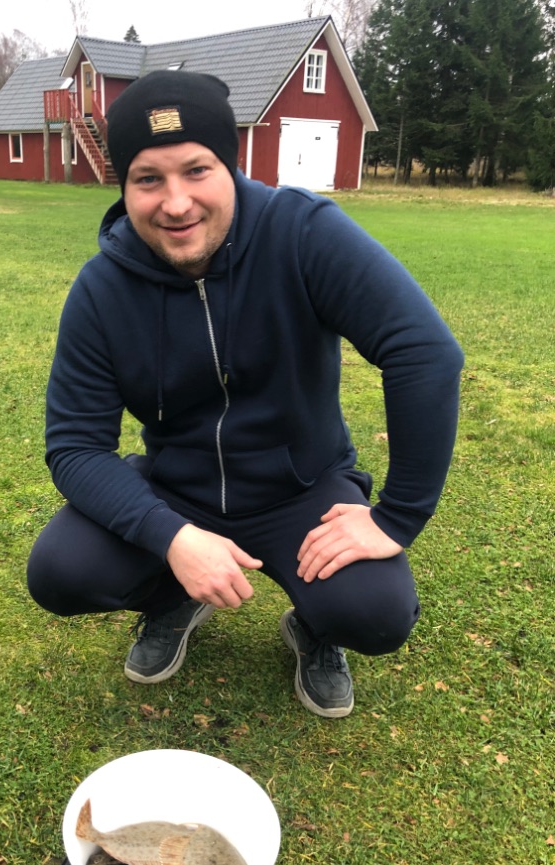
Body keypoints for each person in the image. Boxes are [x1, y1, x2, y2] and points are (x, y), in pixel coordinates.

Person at [27, 70, 464, 719]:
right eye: (148, 179)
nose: (176, 203)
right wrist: (171, 536)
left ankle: (315, 629)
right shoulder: (101, 289)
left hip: (301, 490)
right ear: (124, 187)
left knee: (374, 613)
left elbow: (424, 351)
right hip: (177, 490)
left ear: (229, 165)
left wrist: (396, 518)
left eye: (196, 170)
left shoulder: (302, 232)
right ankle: (174, 598)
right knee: (61, 571)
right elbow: (74, 446)